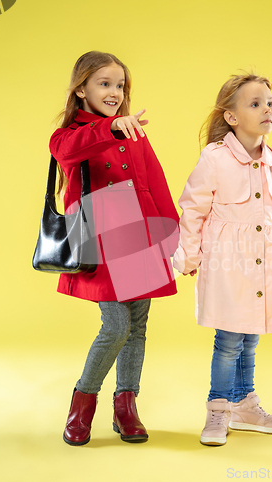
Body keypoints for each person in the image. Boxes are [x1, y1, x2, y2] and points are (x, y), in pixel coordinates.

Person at [49, 51, 179, 446]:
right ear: (81, 88)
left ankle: (126, 407)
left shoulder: (134, 130)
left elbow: (154, 180)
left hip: (140, 232)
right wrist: (112, 129)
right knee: (116, 325)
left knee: (137, 325)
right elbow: (68, 152)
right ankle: (82, 403)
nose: (114, 92)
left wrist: (174, 237)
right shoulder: (70, 134)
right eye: (104, 83)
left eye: (120, 85)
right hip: (100, 235)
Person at [173, 73, 272, 446]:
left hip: (264, 264)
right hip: (227, 264)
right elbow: (192, 209)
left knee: (250, 337)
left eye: (270, 103)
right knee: (228, 338)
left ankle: (244, 403)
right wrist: (190, 256)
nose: (266, 110)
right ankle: (218, 409)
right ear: (231, 116)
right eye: (255, 103)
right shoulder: (215, 158)